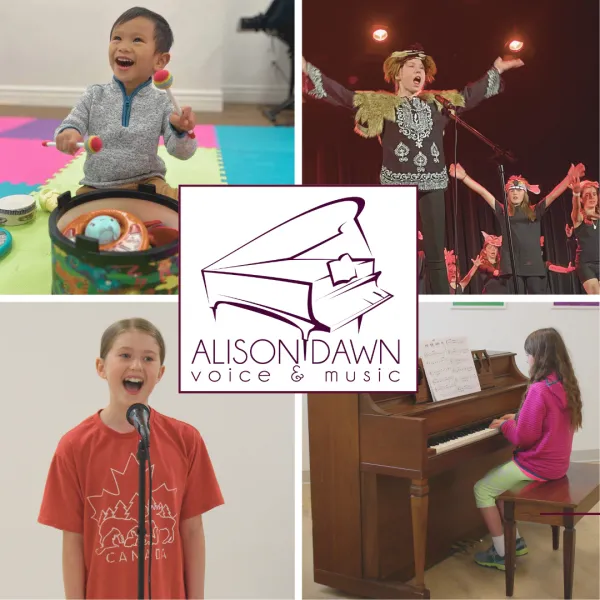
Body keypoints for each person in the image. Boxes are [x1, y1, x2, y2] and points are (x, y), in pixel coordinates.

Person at [302, 45, 524, 294]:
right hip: (397, 183)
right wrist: (306, 69)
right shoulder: (381, 104)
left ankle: (442, 303)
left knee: (436, 254)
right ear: (398, 73)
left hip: (433, 182)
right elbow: (343, 95)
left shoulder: (438, 103)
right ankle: (392, 300)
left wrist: (496, 69)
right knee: (393, 249)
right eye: (412, 66)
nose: (418, 71)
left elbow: (469, 95)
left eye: (421, 68)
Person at [38, 318, 223, 599]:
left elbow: (192, 530)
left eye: (148, 358)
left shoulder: (186, 440)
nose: (136, 365)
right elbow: (73, 542)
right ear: (101, 367)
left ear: (160, 373)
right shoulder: (74, 447)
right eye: (125, 355)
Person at [54, 7, 197, 200]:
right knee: (74, 215)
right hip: (97, 187)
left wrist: (181, 131)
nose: (122, 46)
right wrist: (68, 134)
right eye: (117, 38)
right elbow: (72, 123)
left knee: (182, 207)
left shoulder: (164, 103)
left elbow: (182, 153)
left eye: (137, 40)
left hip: (148, 184)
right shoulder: (94, 95)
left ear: (160, 60)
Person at [472, 327, 582, 570]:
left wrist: (506, 426)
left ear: (539, 357)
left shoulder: (538, 389)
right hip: (556, 464)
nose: (527, 360)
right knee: (502, 491)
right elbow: (545, 421)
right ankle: (517, 542)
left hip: (538, 465)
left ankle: (502, 553)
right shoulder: (563, 384)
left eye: (528, 355)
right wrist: (518, 416)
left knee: (482, 489)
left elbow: (523, 437)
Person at [449, 162, 585, 294]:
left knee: (537, 303)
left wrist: (569, 177)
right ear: (507, 194)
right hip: (512, 268)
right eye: (512, 190)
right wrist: (464, 177)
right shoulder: (503, 212)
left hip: (534, 267)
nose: (515, 193)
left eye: (519, 190)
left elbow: (554, 194)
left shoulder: (535, 211)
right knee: (517, 304)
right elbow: (484, 193)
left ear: (524, 193)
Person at [570, 177, 599, 294]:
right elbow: (576, 209)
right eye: (587, 195)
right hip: (586, 264)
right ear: (581, 199)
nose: (592, 197)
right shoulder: (579, 218)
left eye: (594, 194)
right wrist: (576, 193)